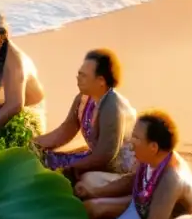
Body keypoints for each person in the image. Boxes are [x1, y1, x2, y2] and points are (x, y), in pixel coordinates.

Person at [77, 111, 192, 219]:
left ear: (153, 147)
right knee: (91, 208)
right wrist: (94, 192)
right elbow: (131, 180)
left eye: (137, 138)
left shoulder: (172, 178)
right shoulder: (150, 157)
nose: (131, 142)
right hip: (145, 207)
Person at [34, 49, 136, 183]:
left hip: (120, 169)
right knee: (44, 159)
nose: (78, 78)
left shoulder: (112, 105)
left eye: (83, 76)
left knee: (78, 178)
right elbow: (65, 131)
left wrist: (69, 168)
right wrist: (33, 145)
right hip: (96, 158)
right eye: (79, 74)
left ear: (101, 80)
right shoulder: (83, 98)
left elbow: (105, 156)